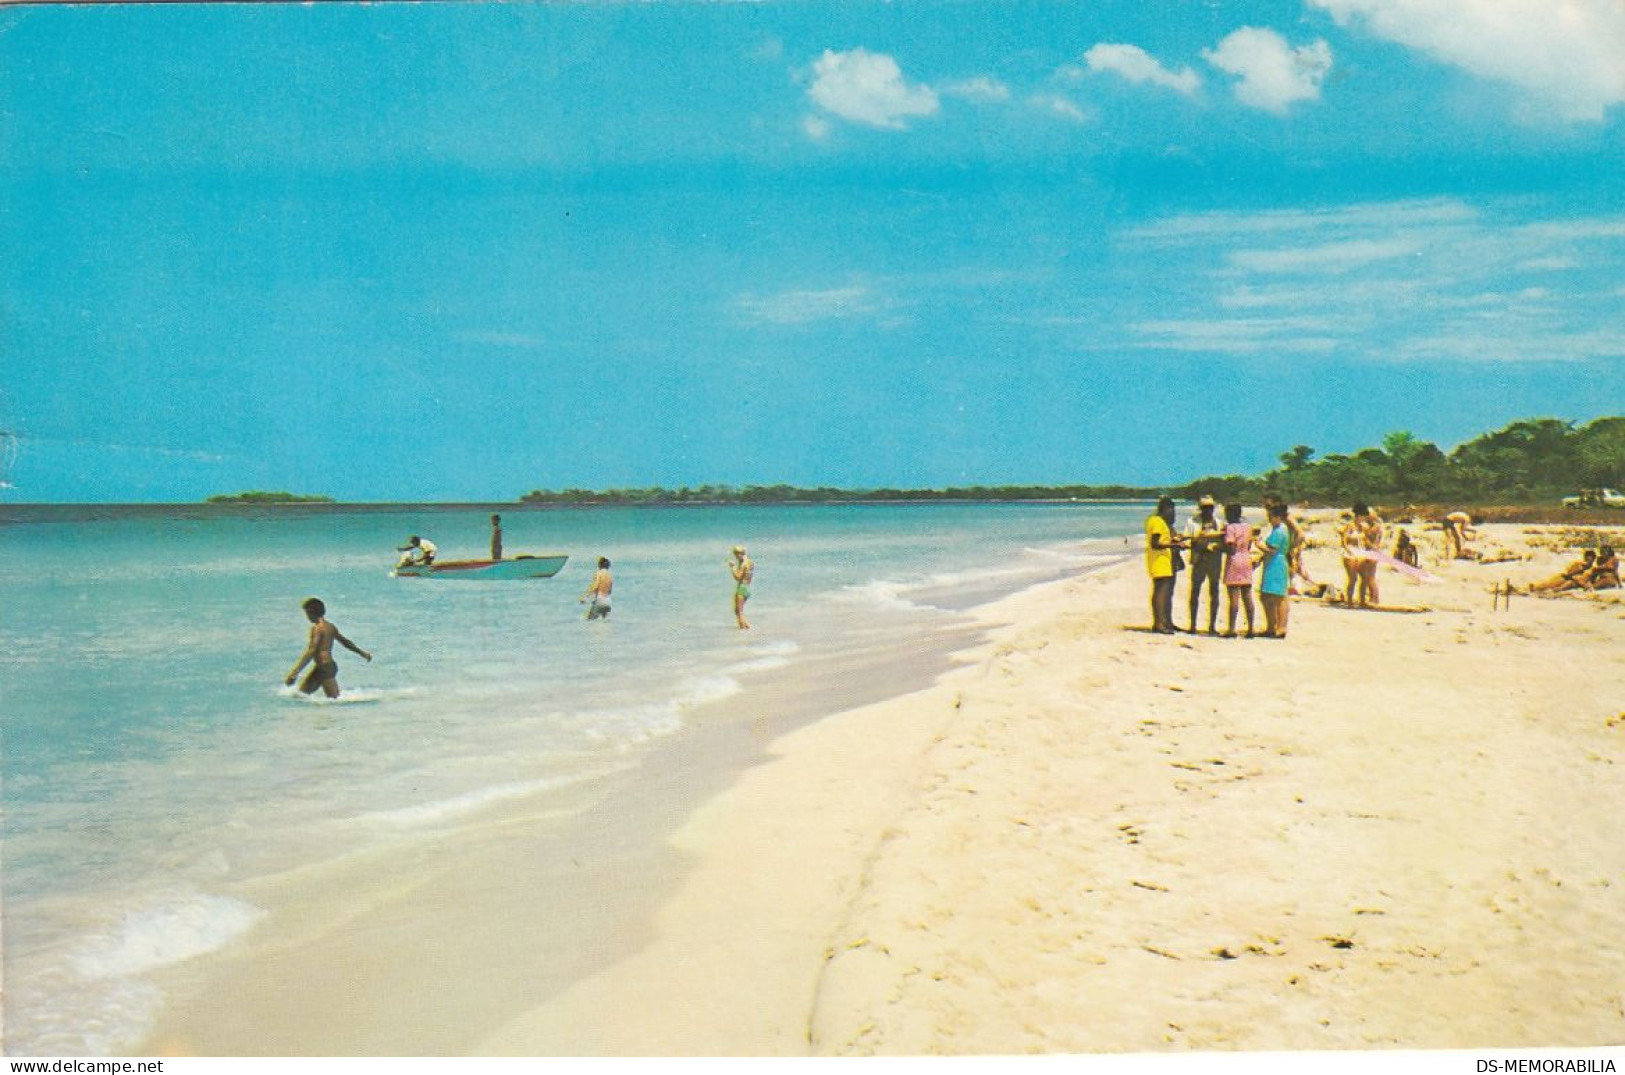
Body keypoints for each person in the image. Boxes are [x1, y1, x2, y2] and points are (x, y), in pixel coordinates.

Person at [285, 597, 371, 699]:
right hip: (327, 667)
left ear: (311, 612)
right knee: (301, 696)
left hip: (324, 668)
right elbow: (346, 642)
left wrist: (295, 672)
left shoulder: (317, 629)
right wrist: (362, 653)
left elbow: (312, 650)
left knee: (332, 700)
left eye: (306, 613)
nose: (306, 617)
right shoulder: (330, 626)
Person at [1184, 495, 1226, 634]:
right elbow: (1188, 539)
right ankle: (1192, 625)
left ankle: (1212, 625)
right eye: (1205, 507)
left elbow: (1224, 540)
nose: (1207, 510)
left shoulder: (1219, 522)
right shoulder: (1192, 522)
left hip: (1214, 559)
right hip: (1199, 558)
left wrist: (1214, 545)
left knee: (1214, 592)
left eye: (1210, 507)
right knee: (1195, 591)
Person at [1144, 497, 1185, 634]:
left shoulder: (1162, 522)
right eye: (1171, 510)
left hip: (1166, 561)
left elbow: (1163, 539)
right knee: (1160, 592)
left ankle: (1167, 621)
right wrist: (1174, 544)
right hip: (1159, 561)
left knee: (1167, 593)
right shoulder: (1156, 521)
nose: (1173, 513)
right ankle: (1159, 624)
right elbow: (1155, 544)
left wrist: (1174, 541)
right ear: (1164, 509)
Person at [1220, 502, 1257, 638]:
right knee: (1247, 596)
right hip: (1246, 559)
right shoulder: (1248, 527)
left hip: (1234, 560)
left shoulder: (1230, 528)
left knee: (1234, 597)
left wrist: (1220, 547)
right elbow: (1249, 544)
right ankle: (1251, 628)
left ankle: (1231, 629)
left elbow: (1230, 547)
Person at [1258, 502, 1293, 638]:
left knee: (1278, 597)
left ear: (1278, 517)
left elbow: (1271, 550)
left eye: (1271, 517)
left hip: (1276, 563)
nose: (1269, 519)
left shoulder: (1279, 530)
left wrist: (1259, 545)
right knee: (1269, 596)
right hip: (1275, 562)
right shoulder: (1280, 529)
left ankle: (1279, 627)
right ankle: (1273, 626)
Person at [1527, 550, 1595, 594]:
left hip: (1568, 578)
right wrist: (1573, 574)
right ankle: (1534, 588)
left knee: (1550, 585)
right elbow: (1572, 572)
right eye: (1587, 558)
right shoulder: (1581, 564)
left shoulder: (1589, 566)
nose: (1588, 560)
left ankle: (1535, 588)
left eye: (1590, 559)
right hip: (1567, 577)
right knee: (1549, 584)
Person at [1356, 504, 1385, 607]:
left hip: (1372, 553)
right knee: (1367, 576)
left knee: (1370, 577)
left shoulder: (1374, 527)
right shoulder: (1373, 526)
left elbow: (1369, 540)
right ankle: (1372, 597)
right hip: (1371, 552)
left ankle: (1374, 598)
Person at [728, 545, 754, 629]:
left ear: (739, 554)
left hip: (741, 588)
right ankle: (746, 628)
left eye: (736, 554)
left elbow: (737, 577)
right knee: (738, 610)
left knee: (739, 611)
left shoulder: (743, 564)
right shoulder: (750, 562)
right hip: (747, 587)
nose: (735, 556)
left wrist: (733, 567)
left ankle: (743, 629)